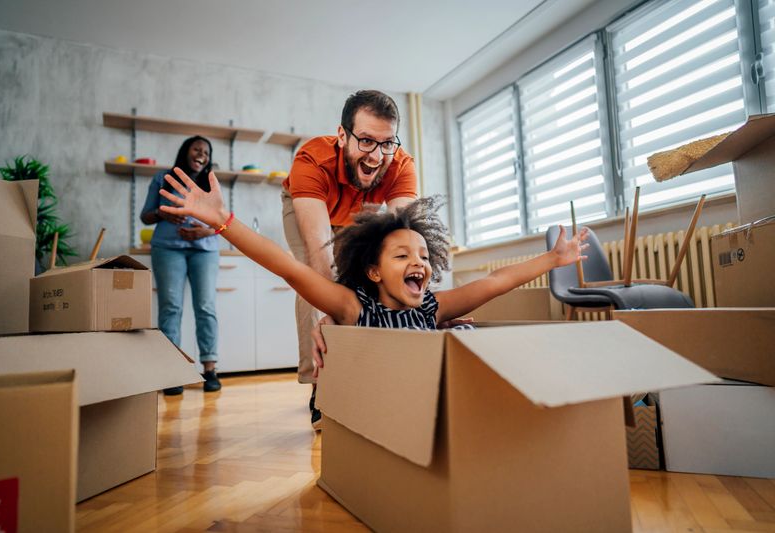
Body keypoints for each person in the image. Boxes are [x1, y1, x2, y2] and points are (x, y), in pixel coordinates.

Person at [159, 168, 589, 396]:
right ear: (374, 270)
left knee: (466, 330)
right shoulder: (353, 309)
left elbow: (495, 282)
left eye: (423, 255)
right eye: (401, 255)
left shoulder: (430, 308)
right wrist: (223, 221)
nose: (417, 261)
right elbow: (289, 269)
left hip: (431, 403)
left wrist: (553, 258)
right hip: (378, 405)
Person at [281, 90, 417, 428]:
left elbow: (406, 245)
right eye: (367, 141)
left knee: (370, 277)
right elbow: (320, 254)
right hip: (311, 208)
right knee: (314, 282)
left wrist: (420, 309)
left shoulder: (400, 165)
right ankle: (320, 386)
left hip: (359, 211)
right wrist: (331, 314)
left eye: (387, 143)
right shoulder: (311, 160)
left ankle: (365, 374)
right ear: (342, 135)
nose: (377, 155)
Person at [140, 136, 222, 395]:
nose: (202, 155)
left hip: (204, 250)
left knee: (206, 307)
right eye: (197, 149)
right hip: (168, 248)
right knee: (171, 308)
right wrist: (162, 213)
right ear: (185, 152)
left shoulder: (210, 184)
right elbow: (145, 215)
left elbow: (223, 223)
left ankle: (209, 370)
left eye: (206, 152)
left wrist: (204, 232)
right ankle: (171, 372)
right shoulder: (163, 178)